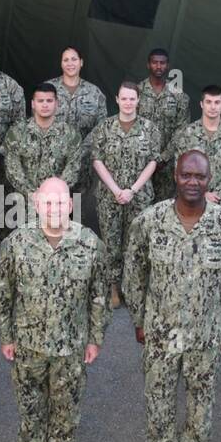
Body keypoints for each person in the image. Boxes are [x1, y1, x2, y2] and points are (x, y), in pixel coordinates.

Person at [123, 151, 221, 442]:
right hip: (161, 330)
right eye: (186, 175)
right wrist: (139, 318)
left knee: (201, 399)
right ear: (175, 177)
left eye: (200, 176)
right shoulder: (149, 222)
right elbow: (134, 273)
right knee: (158, 396)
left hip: (207, 332)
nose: (192, 182)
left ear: (209, 180)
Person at [0, 178, 109, 442]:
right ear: (36, 204)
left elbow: (99, 295)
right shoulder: (16, 243)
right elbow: (3, 295)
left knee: (67, 403)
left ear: (70, 205)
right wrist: (6, 336)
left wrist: (94, 338)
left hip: (71, 344)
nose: (54, 208)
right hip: (28, 343)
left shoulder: (89, 243)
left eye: (60, 203)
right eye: (48, 202)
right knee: (29, 403)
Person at [88, 82, 160, 309]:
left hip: (139, 196)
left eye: (132, 99)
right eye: (124, 98)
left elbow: (153, 161)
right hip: (110, 196)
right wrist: (117, 190)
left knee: (136, 243)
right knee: (111, 242)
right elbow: (97, 160)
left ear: (139, 100)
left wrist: (132, 190)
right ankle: (112, 287)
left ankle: (132, 287)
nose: (128, 103)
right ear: (117, 100)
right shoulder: (104, 128)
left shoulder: (150, 129)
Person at [2, 83, 85, 206]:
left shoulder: (70, 134)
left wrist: (55, 192)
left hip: (57, 202)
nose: (45, 104)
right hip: (25, 201)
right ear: (33, 104)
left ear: (57, 103)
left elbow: (73, 167)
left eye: (49, 100)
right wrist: (31, 193)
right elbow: (12, 167)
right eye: (40, 101)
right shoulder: (17, 132)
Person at [166, 85, 221, 211]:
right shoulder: (186, 133)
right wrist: (202, 194)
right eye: (208, 102)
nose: (213, 107)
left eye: (217, 102)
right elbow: (179, 169)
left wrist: (217, 193)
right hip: (191, 201)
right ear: (201, 104)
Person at [136, 48, 190, 202]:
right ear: (148, 65)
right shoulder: (137, 92)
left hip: (167, 165)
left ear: (167, 66)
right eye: (154, 62)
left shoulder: (179, 95)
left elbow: (182, 129)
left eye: (162, 63)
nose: (158, 66)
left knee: (163, 206)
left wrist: (164, 157)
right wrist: (148, 156)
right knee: (140, 205)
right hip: (140, 161)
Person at [48, 46, 107, 138]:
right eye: (66, 60)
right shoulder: (48, 89)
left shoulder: (95, 93)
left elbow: (101, 128)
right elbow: (37, 123)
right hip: (52, 150)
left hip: (86, 150)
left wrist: (84, 149)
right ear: (61, 63)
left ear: (81, 62)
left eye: (74, 59)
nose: (70, 63)